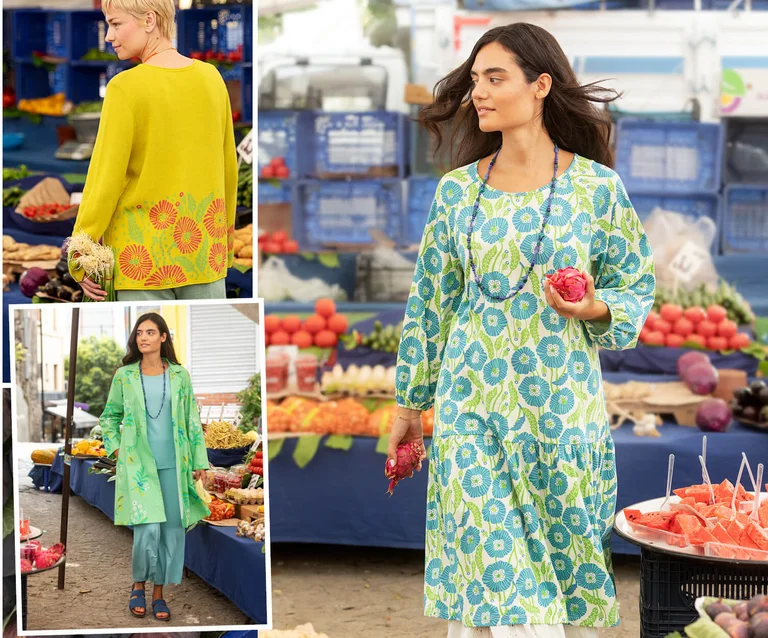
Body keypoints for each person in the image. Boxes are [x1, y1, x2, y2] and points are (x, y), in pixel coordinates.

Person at [388, 23, 655, 638]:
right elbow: (431, 303)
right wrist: (409, 401)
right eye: (475, 79)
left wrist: (594, 308)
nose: (477, 92)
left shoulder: (596, 190)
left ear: (539, 86)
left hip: (559, 413)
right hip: (470, 410)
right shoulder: (457, 193)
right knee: (496, 579)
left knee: (547, 592)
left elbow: (634, 285)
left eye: (495, 77)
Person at [68, 0, 240, 302]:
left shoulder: (124, 88)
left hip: (141, 259)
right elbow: (228, 168)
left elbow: (104, 179)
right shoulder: (212, 78)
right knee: (201, 347)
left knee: (147, 347)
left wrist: (80, 254)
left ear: (149, 20)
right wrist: (224, 246)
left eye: (116, 23)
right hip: (204, 253)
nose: (109, 35)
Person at [99, 313, 211, 621]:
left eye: (150, 332)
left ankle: (159, 593)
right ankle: (138, 586)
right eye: (139, 333)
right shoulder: (124, 376)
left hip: (175, 464)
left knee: (171, 531)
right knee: (147, 529)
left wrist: (200, 460)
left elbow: (191, 421)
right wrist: (119, 448)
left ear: (163, 337)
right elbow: (109, 417)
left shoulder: (179, 376)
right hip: (139, 466)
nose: (143, 337)